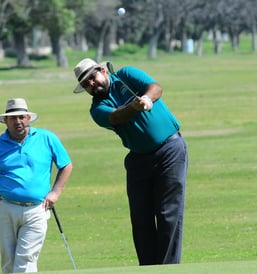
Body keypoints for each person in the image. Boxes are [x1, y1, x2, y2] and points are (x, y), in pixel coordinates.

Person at [72, 58, 188, 265]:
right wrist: (135, 106)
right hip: (138, 159)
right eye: (85, 84)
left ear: (102, 71)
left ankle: (168, 268)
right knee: (141, 219)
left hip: (170, 149)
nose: (91, 84)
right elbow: (117, 117)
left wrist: (147, 98)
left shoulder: (126, 75)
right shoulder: (97, 108)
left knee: (168, 213)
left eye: (92, 77)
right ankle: (148, 268)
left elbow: (155, 88)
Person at [0, 98, 73, 273]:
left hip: (37, 208)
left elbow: (66, 165)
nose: (18, 122)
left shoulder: (46, 138)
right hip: (5, 208)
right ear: (6, 121)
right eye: (13, 118)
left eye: (22, 117)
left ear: (28, 118)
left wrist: (55, 192)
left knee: (26, 259)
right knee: (8, 261)